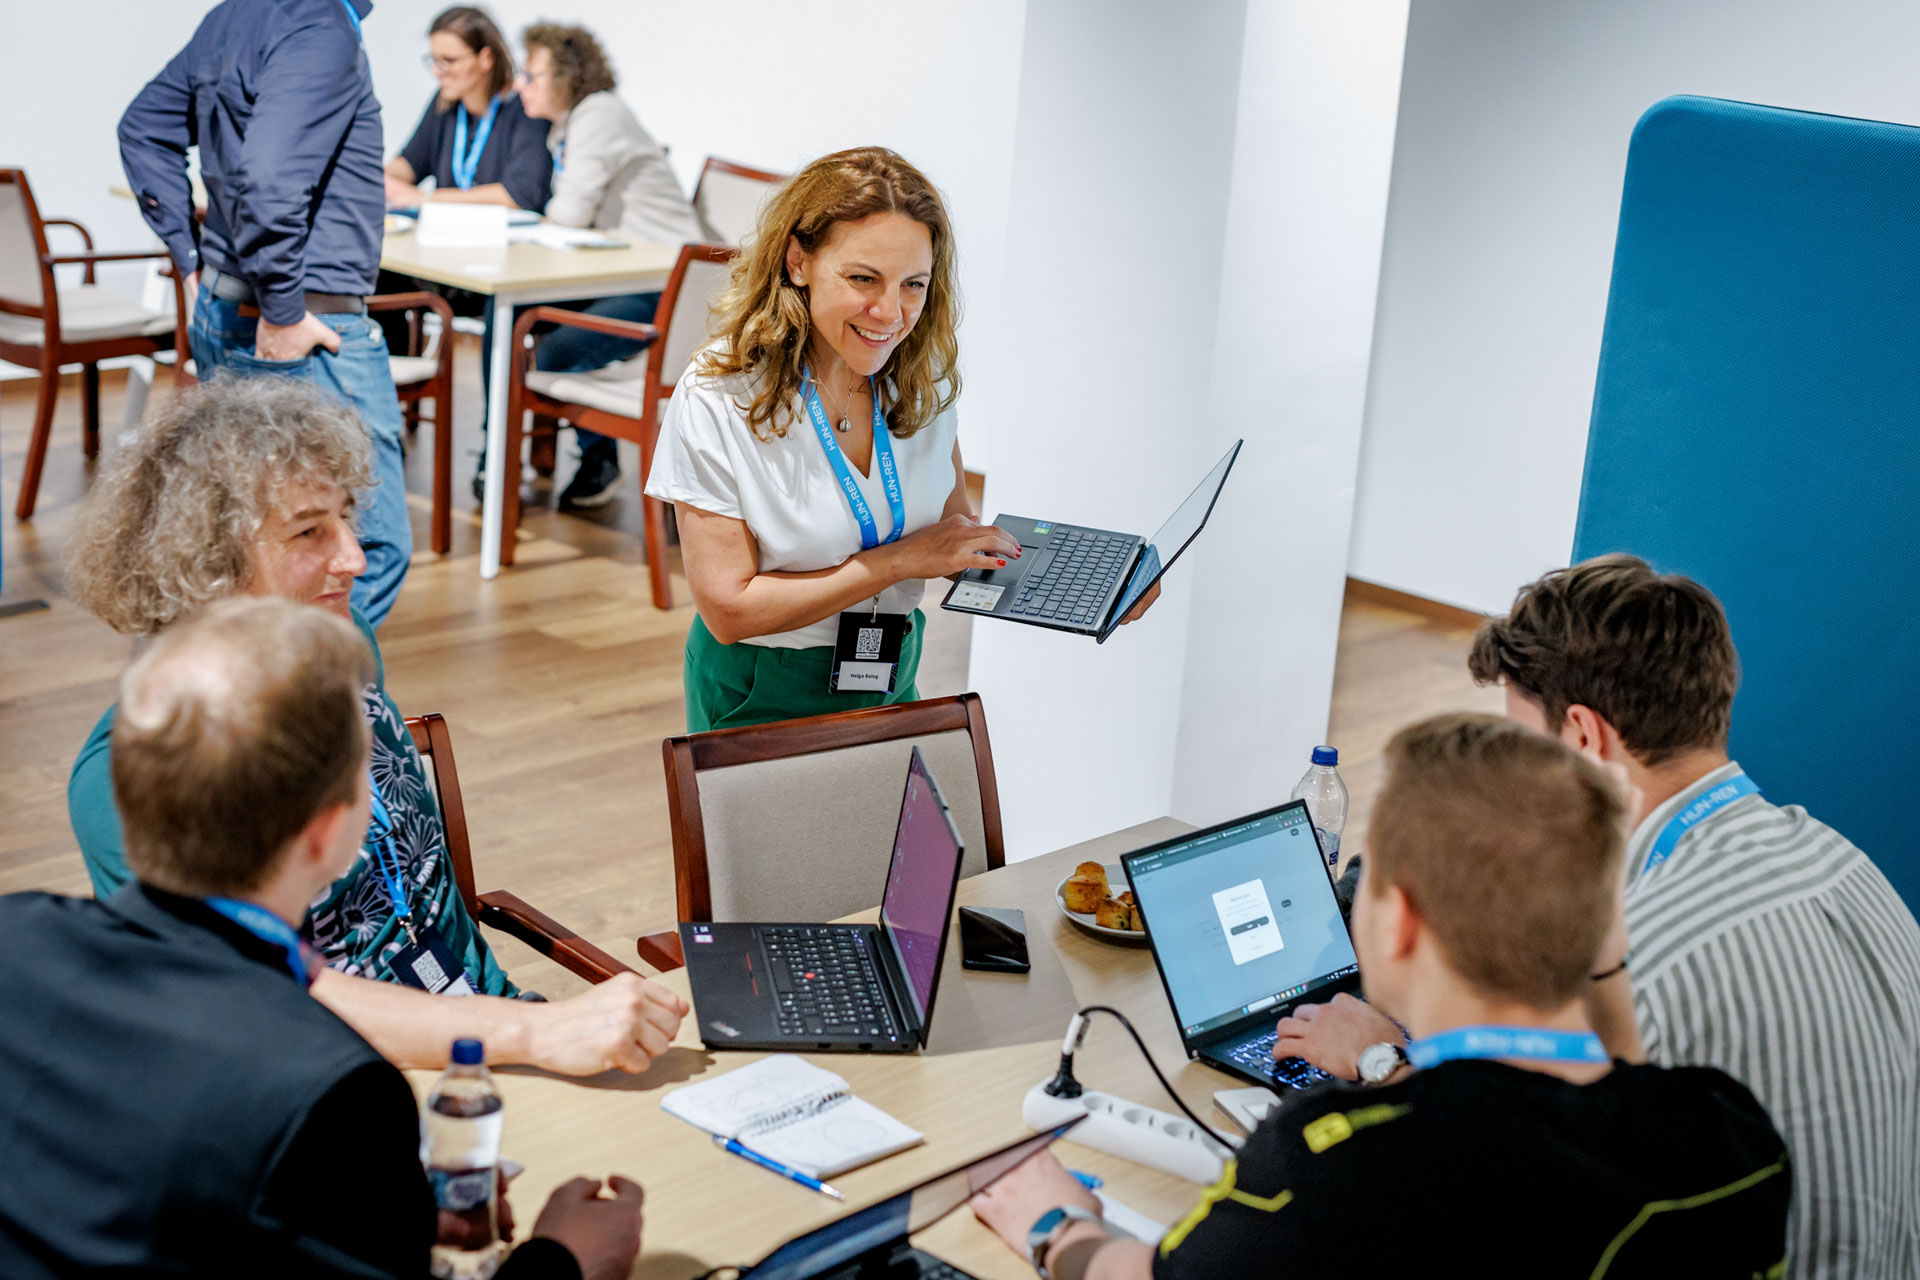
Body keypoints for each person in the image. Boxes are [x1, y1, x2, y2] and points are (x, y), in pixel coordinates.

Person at [1275, 555, 1920, 1279]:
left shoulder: (1647, 954)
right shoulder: (1844, 863)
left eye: (1523, 747)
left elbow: (1520, 1189)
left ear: (1583, 736)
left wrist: (1384, 1063)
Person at [971, 714, 1792, 1280]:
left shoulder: (1333, 1167)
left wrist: (1054, 1223)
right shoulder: (1733, 1134)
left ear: (1396, 922)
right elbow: (1575, 1112)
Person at [0, 598, 644, 1278]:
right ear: (330, 833)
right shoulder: (334, 1090)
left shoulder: (15, 938)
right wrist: (564, 1258)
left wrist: (379, 1215)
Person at [64, 377, 688, 1077]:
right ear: (208, 559)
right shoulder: (130, 773)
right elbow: (250, 996)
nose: (355, 558)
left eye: (346, 519)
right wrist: (531, 1032)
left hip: (492, 1036)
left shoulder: (341, 641)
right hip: (343, 1081)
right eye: (309, 532)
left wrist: (529, 1026)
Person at [647, 147, 1156, 732]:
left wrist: (1087, 586)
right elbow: (729, 610)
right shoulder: (721, 393)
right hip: (760, 686)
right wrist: (897, 562)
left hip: (890, 671)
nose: (890, 312)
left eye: (913, 284)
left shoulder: (921, 377)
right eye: (863, 278)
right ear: (798, 262)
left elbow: (953, 537)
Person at [119, 0, 412, 627]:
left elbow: (141, 127)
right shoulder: (323, 26)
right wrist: (282, 310)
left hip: (229, 304)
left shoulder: (236, 15)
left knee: (258, 544)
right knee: (363, 552)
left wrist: (190, 257)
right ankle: (302, 683)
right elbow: (270, 179)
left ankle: (250, 677)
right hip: (302, 324)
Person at [513, 21, 705, 509]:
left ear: (565, 76)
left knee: (556, 349)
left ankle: (597, 462)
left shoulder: (598, 114)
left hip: (666, 287)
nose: (520, 85)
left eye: (531, 75)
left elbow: (568, 214)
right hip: (628, 273)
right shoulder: (568, 125)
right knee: (518, 320)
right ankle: (502, 458)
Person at [383, 6, 553, 213]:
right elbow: (411, 162)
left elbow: (519, 195)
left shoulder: (526, 106)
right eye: (434, 60)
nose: (437, 72)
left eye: (449, 61)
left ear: (486, 58)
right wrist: (379, 178)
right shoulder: (445, 102)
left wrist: (423, 198)